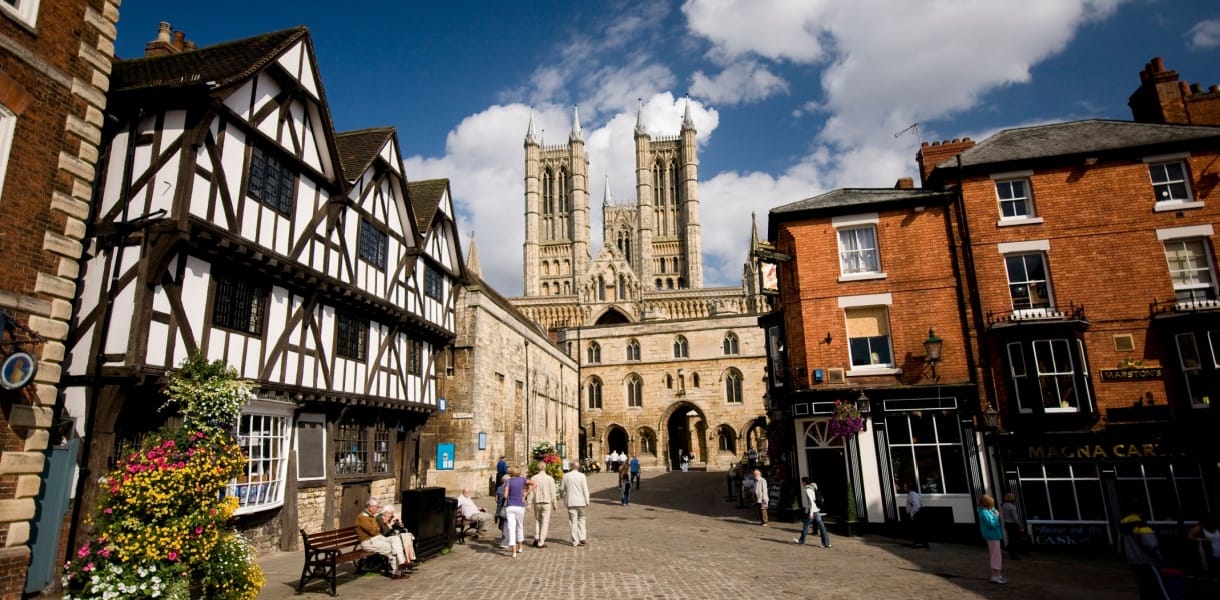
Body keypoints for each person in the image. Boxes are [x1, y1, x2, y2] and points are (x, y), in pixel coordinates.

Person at [354, 498, 409, 579]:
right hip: (368, 542)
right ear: (370, 507)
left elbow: (377, 528)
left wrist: (379, 526)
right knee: (392, 548)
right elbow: (373, 531)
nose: (377, 509)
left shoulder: (371, 516)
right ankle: (397, 573)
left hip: (378, 538)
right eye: (376, 507)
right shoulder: (362, 517)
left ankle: (401, 562)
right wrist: (379, 526)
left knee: (396, 539)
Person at [1122, 504, 1167, 599]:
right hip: (1147, 560)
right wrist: (1159, 555)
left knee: (1143, 587)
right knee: (1158, 587)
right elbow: (1151, 544)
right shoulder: (1141, 524)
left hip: (1133, 560)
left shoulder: (1123, 523)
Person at [502, 465, 533, 557]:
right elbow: (535, 484)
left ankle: (513, 551)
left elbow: (505, 495)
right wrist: (525, 494)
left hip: (510, 506)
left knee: (511, 528)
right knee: (520, 526)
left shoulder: (508, 481)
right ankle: (520, 547)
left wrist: (508, 492)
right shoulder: (523, 480)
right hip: (520, 506)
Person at [377, 505, 419, 571]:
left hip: (393, 536)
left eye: (391, 513)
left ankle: (409, 560)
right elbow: (384, 532)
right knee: (402, 540)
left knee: (407, 536)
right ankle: (405, 562)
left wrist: (400, 524)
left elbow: (400, 527)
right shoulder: (380, 518)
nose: (390, 515)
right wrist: (390, 524)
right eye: (389, 513)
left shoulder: (390, 517)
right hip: (384, 538)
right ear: (384, 512)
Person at [794, 477, 831, 548]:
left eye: (802, 482)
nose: (802, 483)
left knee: (806, 525)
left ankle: (802, 540)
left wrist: (810, 513)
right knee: (822, 527)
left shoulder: (807, 490)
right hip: (816, 510)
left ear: (804, 482)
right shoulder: (812, 488)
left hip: (813, 510)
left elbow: (811, 502)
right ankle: (826, 543)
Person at [560, 460, 590, 547]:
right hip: (581, 501)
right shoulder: (582, 476)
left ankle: (575, 541)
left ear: (570, 467)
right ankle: (582, 537)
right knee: (582, 519)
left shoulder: (566, 476)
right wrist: (587, 500)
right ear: (578, 467)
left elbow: (561, 489)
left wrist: (562, 495)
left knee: (573, 521)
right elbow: (585, 489)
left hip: (571, 501)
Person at [977, 494, 1006, 584]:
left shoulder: (986, 511)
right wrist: (996, 516)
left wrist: (994, 512)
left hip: (994, 535)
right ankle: (995, 575)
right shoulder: (984, 512)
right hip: (992, 535)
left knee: (997, 555)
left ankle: (998, 575)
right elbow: (991, 524)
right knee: (995, 555)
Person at [528, 464, 557, 548]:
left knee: (537, 520)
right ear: (545, 468)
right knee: (545, 522)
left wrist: (529, 503)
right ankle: (541, 541)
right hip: (547, 502)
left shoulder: (534, 478)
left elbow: (531, 491)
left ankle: (537, 537)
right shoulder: (550, 479)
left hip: (537, 501)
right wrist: (554, 503)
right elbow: (553, 492)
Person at [1001, 492, 1024, 559]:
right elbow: (1015, 518)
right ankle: (1014, 553)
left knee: (1011, 538)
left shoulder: (1004, 505)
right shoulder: (1012, 507)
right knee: (1015, 539)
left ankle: (1011, 552)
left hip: (1006, 523)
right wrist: (1019, 525)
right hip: (1012, 524)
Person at [905, 482, 928, 548]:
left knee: (917, 529)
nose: (904, 487)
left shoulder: (913, 494)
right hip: (916, 514)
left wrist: (912, 513)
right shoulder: (910, 494)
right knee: (916, 529)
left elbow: (917, 505)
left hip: (917, 514)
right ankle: (919, 542)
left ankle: (920, 543)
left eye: (905, 486)